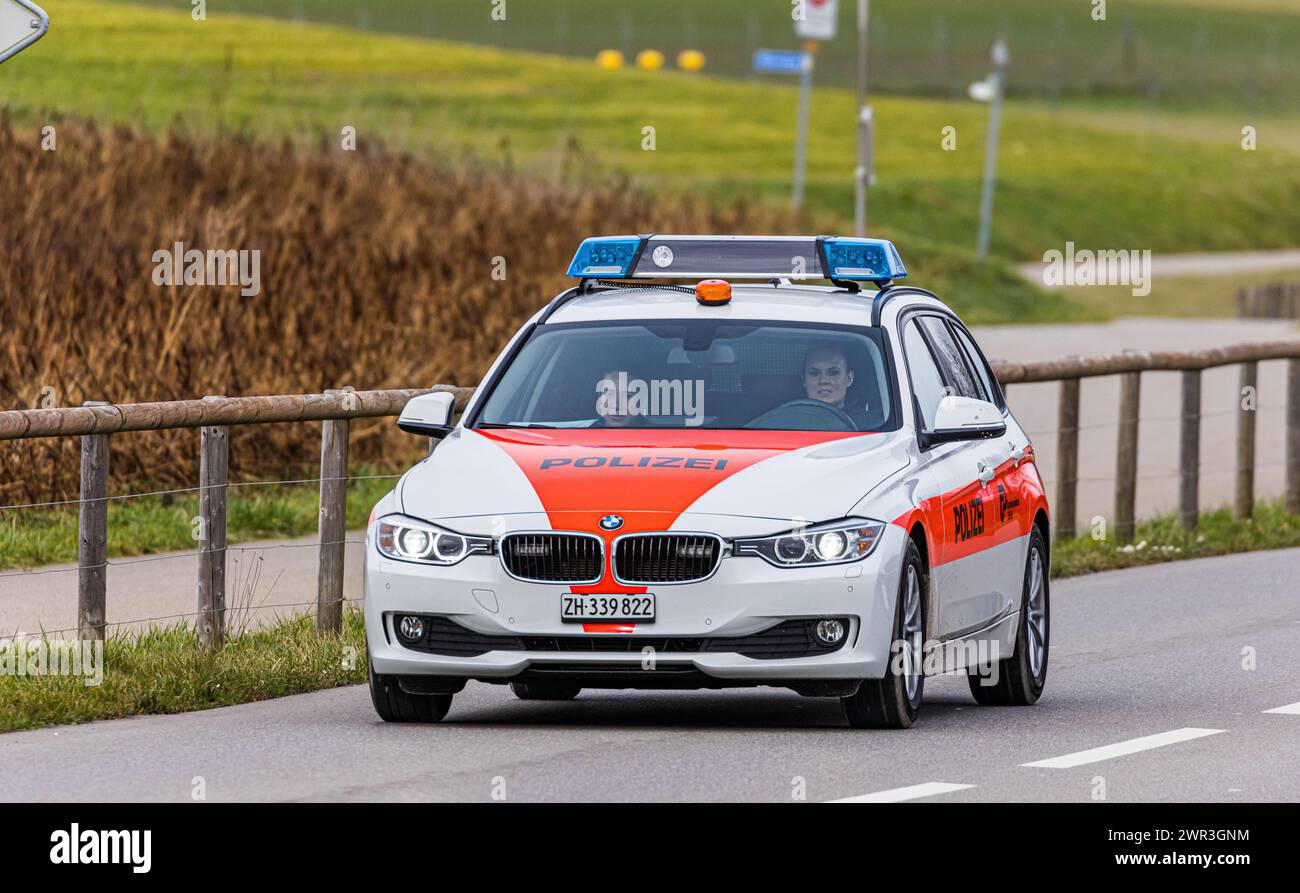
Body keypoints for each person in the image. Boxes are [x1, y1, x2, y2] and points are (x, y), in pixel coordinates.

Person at [802, 345, 872, 431]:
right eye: (814, 373)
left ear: (849, 378)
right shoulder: (786, 420)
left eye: (833, 372)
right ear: (804, 380)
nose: (823, 380)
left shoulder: (870, 425)